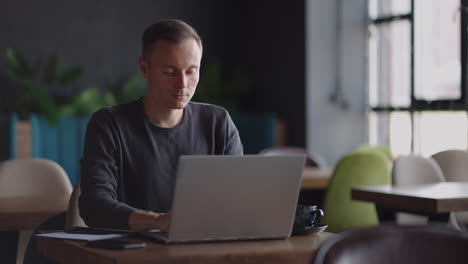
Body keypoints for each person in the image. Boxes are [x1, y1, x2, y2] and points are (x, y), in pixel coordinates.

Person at [78, 19, 243, 232]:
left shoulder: (218, 123)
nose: (182, 84)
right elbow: (94, 205)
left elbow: (238, 198)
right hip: (135, 251)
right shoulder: (108, 125)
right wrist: (157, 221)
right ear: (144, 68)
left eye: (191, 71)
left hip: (203, 246)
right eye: (170, 72)